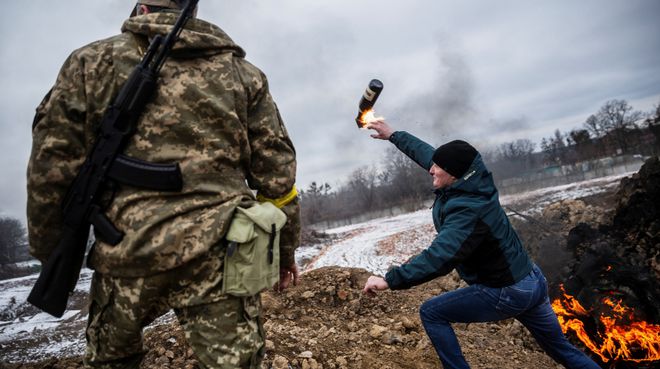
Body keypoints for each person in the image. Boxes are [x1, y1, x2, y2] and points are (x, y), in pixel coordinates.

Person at [26, 1, 300, 368]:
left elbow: (50, 172)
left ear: (141, 9)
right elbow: (278, 178)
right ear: (193, 11)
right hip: (222, 256)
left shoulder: (90, 63)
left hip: (125, 251)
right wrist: (284, 253)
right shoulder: (243, 74)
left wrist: (51, 253)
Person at [362, 120, 600, 369]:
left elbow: (442, 256)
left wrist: (390, 279)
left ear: (453, 174)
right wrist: (393, 135)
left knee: (432, 312)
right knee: (563, 351)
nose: (431, 169)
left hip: (506, 290)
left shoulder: (467, 209)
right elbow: (431, 156)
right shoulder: (468, 177)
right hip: (531, 281)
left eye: (438, 167)